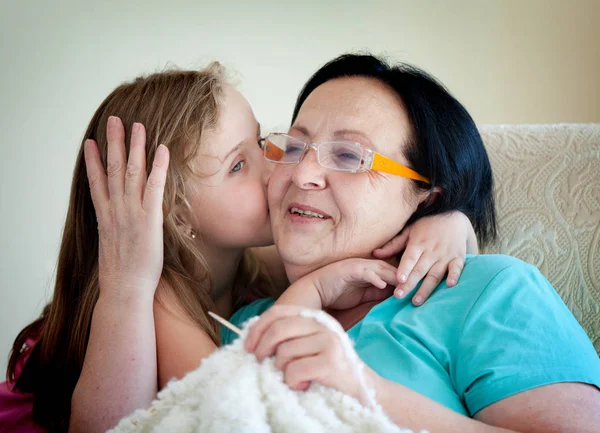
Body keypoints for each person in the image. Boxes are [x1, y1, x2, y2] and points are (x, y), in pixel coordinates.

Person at [2, 63, 476, 433]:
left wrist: (450, 220)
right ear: (178, 214)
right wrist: (127, 285)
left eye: (261, 141)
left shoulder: (258, 263)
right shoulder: (158, 294)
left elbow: (372, 252)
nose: (283, 168)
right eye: (238, 165)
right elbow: (231, 402)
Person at [231, 54, 600, 432]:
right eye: (293, 147)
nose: (303, 175)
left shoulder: (490, 291)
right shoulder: (244, 322)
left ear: (426, 197)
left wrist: (367, 391)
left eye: (348, 155)